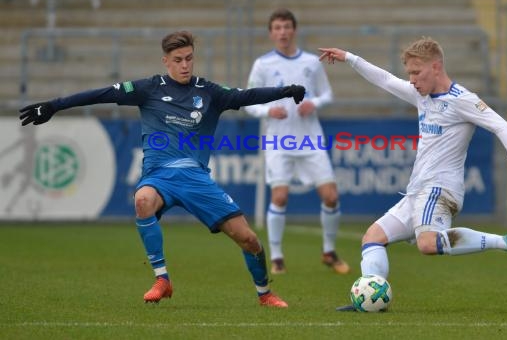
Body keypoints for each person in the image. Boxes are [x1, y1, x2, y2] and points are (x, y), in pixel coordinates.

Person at [19, 30, 307, 308]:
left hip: (195, 178)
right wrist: (55, 105)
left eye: (189, 59)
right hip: (159, 176)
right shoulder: (148, 88)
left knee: (248, 239)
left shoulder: (209, 92)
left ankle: (265, 293)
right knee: (142, 200)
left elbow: (246, 96)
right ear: (166, 61)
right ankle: (162, 279)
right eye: (178, 60)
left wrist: (285, 91)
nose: (184, 65)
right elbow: (102, 94)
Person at [318, 37, 507, 311]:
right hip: (417, 191)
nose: (412, 80)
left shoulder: (463, 100)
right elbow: (386, 80)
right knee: (373, 238)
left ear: (435, 67)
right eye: (409, 74)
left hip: (439, 189)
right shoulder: (421, 95)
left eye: (416, 72)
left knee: (426, 244)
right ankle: (369, 300)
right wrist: (349, 57)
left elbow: (502, 126)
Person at [245, 8, 350, 275]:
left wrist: (313, 102)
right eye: (277, 28)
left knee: (331, 195)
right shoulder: (262, 64)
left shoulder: (312, 62)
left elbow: (327, 94)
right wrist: (267, 110)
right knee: (279, 197)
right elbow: (248, 101)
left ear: (294, 30)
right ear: (271, 33)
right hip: (278, 142)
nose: (282, 32)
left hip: (310, 140)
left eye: (286, 27)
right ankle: (277, 257)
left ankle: (328, 251)